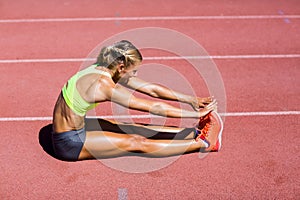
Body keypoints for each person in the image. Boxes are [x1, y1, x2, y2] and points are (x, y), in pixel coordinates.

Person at [52, 40, 221, 161]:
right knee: (136, 142)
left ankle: (194, 133)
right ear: (121, 66)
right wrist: (195, 114)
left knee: (130, 127)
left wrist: (191, 100)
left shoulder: (103, 67)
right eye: (134, 72)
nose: (135, 76)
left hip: (78, 126)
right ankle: (204, 143)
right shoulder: (103, 85)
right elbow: (153, 107)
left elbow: (151, 89)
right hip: (69, 143)